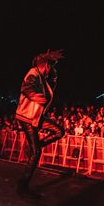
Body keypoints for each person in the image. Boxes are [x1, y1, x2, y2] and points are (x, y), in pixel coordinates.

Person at [14, 49, 65, 198]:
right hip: (27, 117)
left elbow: (49, 91)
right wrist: (35, 96)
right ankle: (23, 186)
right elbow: (26, 87)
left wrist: (53, 79)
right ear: (45, 65)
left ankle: (34, 146)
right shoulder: (33, 73)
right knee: (36, 153)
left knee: (59, 131)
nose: (52, 70)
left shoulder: (42, 78)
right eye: (51, 67)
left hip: (36, 116)